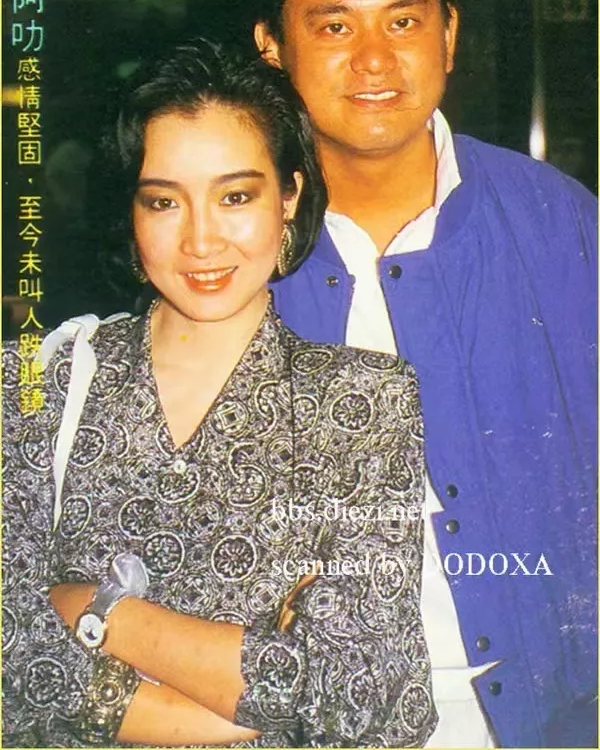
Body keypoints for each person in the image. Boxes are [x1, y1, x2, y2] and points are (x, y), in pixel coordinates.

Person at [236, 0, 598, 750]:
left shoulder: (559, 224)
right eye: (334, 27)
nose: (374, 60)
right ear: (272, 45)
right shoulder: (231, 255)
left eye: (403, 21)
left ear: (450, 32)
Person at [2, 40, 438, 748]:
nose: (202, 241)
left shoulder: (363, 404)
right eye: (163, 201)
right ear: (130, 211)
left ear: (289, 197)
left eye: (235, 196)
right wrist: (234, 706)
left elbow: (370, 700)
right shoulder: (35, 385)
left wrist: (99, 611)